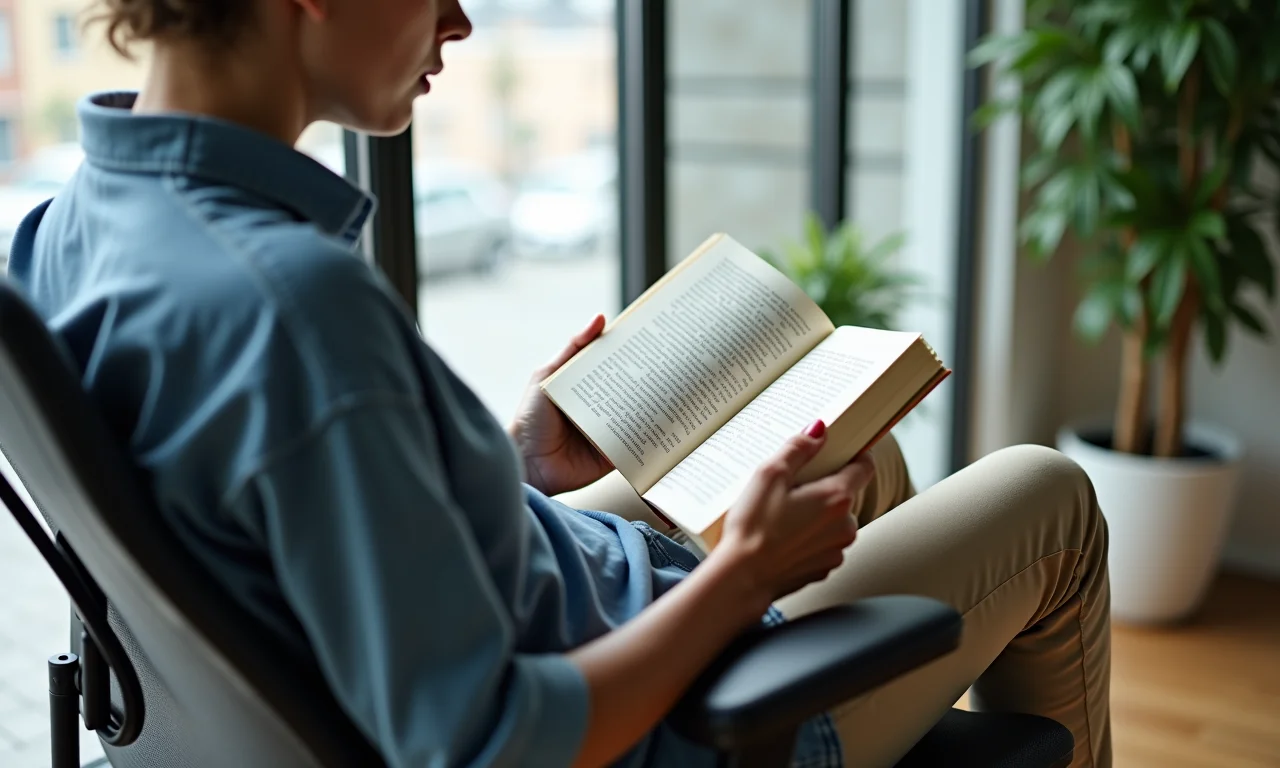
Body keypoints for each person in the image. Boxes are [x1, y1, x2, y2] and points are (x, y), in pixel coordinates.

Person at [6, 1, 1112, 766]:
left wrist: (507, 464)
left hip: (549, 593)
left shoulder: (61, 235)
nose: (458, 23)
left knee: (861, 452)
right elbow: (490, 745)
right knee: (1048, 497)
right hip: (655, 721)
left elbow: (278, 518)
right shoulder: (293, 307)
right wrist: (739, 580)